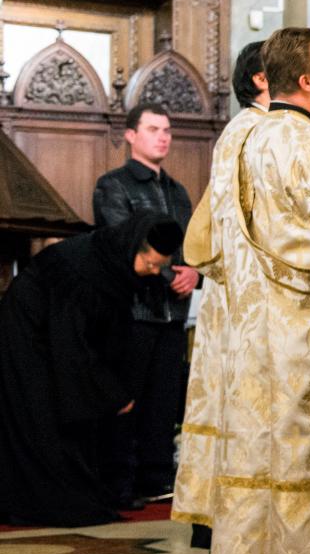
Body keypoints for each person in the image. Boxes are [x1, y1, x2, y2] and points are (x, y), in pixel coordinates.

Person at [208, 27, 310, 554]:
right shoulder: (302, 142)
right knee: (301, 432)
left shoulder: (246, 138)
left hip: (248, 317)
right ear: (306, 80)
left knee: (257, 432)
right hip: (297, 314)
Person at [0, 213, 181, 527]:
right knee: (41, 414)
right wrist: (111, 393)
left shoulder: (114, 264)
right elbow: (73, 344)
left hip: (54, 333)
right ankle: (41, 500)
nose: (153, 273)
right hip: (29, 333)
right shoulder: (84, 272)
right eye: (150, 264)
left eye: (158, 267)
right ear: (132, 248)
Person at [171, 43, 270, 548]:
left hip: (229, 288)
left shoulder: (238, 132)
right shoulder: (260, 131)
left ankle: (211, 518)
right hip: (251, 290)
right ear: (260, 79)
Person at [92, 102, 198, 508]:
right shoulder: (113, 185)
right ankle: (123, 482)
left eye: (167, 129)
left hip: (173, 316)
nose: (163, 136)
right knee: (129, 397)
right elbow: (124, 244)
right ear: (131, 135)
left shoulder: (177, 191)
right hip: (133, 312)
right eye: (154, 129)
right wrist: (175, 275)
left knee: (164, 402)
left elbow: (192, 246)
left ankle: (156, 478)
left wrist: (194, 273)